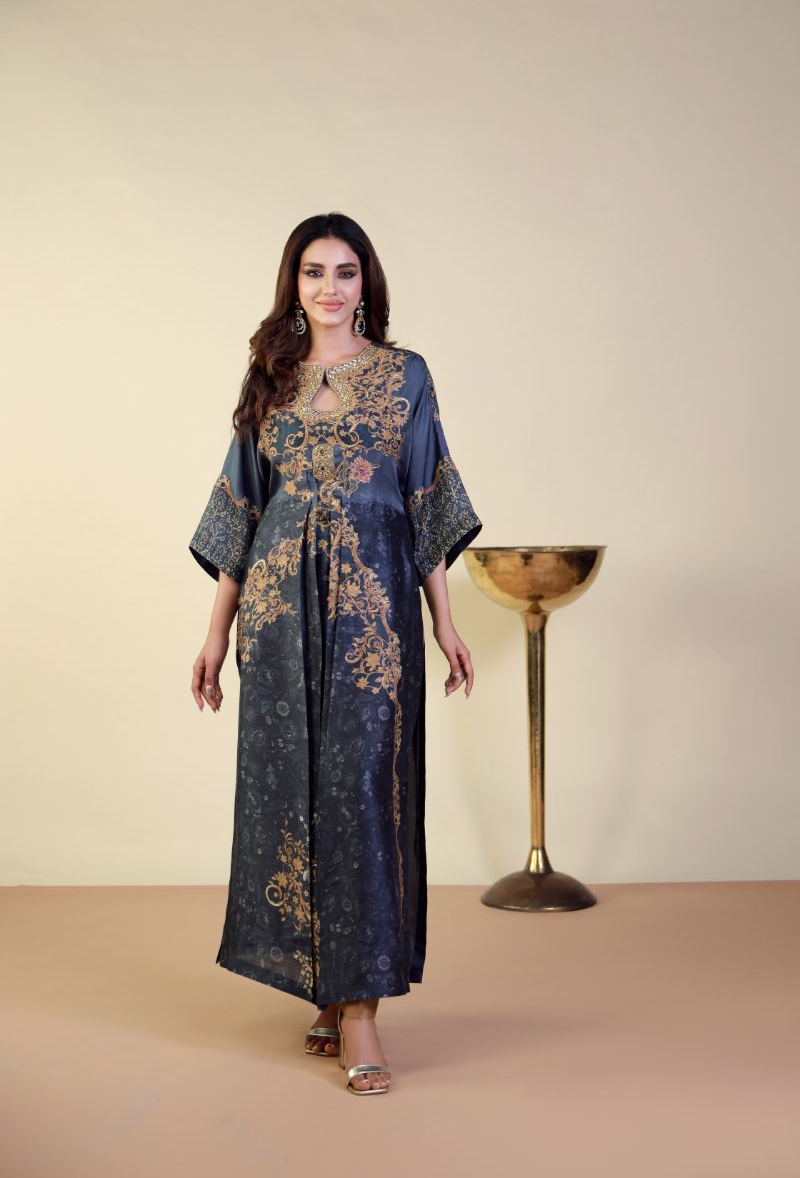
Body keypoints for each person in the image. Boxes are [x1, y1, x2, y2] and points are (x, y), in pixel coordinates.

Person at [188, 212, 482, 1094]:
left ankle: (360, 1011)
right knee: (293, 792)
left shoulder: (404, 376)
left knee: (362, 795)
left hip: (372, 622)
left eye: (345, 272)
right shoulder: (270, 379)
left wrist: (444, 622)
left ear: (365, 284)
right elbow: (241, 511)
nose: (329, 288)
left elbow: (426, 500)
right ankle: (324, 987)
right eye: (313, 272)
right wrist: (215, 633)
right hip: (275, 619)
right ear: (295, 283)